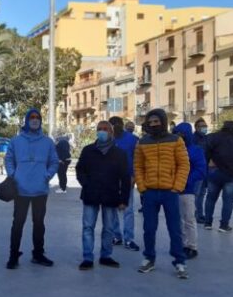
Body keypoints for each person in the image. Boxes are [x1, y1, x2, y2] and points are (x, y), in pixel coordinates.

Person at [134, 109, 190, 279]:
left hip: (170, 193)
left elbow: (184, 165)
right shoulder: (142, 142)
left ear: (163, 122)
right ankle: (149, 258)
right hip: (149, 192)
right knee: (148, 229)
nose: (153, 125)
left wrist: (177, 187)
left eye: (156, 122)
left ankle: (180, 261)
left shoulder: (176, 140)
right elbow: (138, 167)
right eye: (150, 122)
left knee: (175, 229)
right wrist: (142, 187)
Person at [4, 109, 59, 269]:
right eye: (32, 117)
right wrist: (14, 175)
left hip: (40, 190)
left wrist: (47, 175)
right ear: (26, 120)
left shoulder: (48, 142)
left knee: (39, 224)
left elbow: (54, 162)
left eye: (38, 118)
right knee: (18, 223)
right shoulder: (16, 140)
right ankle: (13, 255)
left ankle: (38, 254)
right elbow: (9, 160)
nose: (35, 120)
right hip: (20, 190)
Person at [75, 121, 131, 270]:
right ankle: (87, 258)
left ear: (111, 133)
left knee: (109, 228)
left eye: (105, 129)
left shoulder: (119, 154)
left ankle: (106, 256)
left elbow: (125, 178)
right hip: (90, 194)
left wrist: (124, 199)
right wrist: (86, 184)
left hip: (110, 196)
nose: (102, 131)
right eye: (99, 129)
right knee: (88, 227)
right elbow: (80, 169)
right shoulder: (88, 150)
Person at [172, 123, 207, 260]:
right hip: (173, 189)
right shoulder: (173, 149)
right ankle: (182, 244)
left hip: (187, 189)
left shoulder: (195, 150)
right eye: (176, 133)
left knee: (189, 219)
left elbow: (200, 170)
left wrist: (186, 181)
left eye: (180, 134)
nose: (178, 136)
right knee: (177, 220)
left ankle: (192, 246)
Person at [108, 116, 140, 251]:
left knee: (128, 210)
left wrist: (134, 176)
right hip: (111, 180)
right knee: (112, 210)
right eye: (112, 124)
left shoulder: (133, 140)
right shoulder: (107, 140)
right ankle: (117, 236)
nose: (115, 126)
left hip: (127, 179)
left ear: (122, 125)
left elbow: (137, 160)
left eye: (117, 123)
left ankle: (129, 239)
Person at [193, 118, 209, 223]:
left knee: (202, 193)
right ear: (196, 127)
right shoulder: (193, 139)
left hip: (206, 170)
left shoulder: (207, 138)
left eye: (205, 126)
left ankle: (200, 214)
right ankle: (195, 215)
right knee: (196, 194)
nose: (204, 128)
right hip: (197, 170)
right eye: (202, 126)